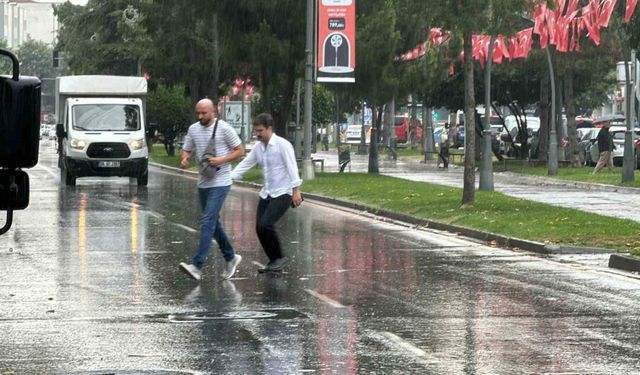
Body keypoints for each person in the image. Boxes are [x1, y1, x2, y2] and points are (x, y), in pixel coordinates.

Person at [179, 98, 245, 281]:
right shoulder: (193, 129)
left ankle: (197, 266)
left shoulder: (224, 128)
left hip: (221, 181)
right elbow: (187, 149)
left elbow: (240, 150)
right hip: (203, 181)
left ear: (213, 111)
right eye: (198, 113)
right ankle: (231, 257)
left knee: (207, 220)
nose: (200, 116)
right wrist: (185, 159)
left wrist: (222, 160)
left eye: (204, 113)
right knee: (214, 224)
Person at [231, 113, 303, 273]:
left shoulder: (282, 145)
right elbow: (246, 163)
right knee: (259, 227)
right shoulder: (258, 147)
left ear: (269, 128)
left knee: (266, 224)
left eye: (260, 130)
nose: (258, 134)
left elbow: (292, 167)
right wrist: (230, 178)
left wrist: (296, 190)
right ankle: (274, 261)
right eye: (256, 130)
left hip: (283, 192)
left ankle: (279, 258)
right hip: (267, 193)